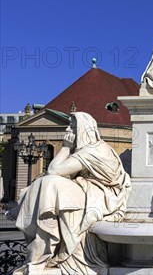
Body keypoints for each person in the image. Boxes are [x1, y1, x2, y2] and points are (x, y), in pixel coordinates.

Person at [11, 112, 131, 275]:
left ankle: (44, 247)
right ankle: (42, 244)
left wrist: (65, 147)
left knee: (49, 182)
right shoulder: (92, 149)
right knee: (45, 182)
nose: (67, 130)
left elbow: (54, 170)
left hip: (102, 196)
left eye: (72, 127)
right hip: (88, 190)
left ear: (83, 130)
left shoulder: (92, 151)